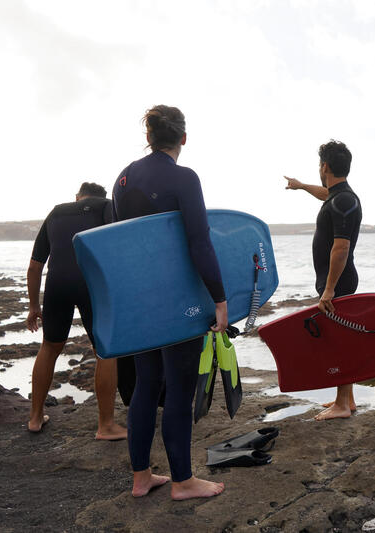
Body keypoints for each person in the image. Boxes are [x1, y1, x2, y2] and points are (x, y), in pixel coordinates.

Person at [113, 105, 227, 500]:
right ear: (183, 138)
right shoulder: (183, 178)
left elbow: (119, 244)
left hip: (139, 302)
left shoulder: (123, 179)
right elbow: (200, 242)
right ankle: (182, 481)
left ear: (149, 138)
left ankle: (141, 478)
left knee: (147, 383)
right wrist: (220, 299)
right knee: (179, 388)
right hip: (177, 301)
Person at [26, 182, 127, 440]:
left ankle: (35, 418)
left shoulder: (56, 212)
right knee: (105, 350)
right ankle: (105, 426)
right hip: (91, 284)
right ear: (101, 197)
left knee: (49, 347)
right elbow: (120, 251)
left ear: (77, 196)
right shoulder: (108, 207)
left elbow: (35, 266)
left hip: (57, 285)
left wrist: (34, 307)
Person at [284, 140, 362, 421]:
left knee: (338, 343)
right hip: (336, 281)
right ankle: (347, 399)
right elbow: (325, 193)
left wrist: (328, 289)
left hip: (338, 282)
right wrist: (301, 186)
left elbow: (340, 248)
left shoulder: (343, 200)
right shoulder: (339, 196)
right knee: (342, 339)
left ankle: (342, 405)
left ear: (325, 166)